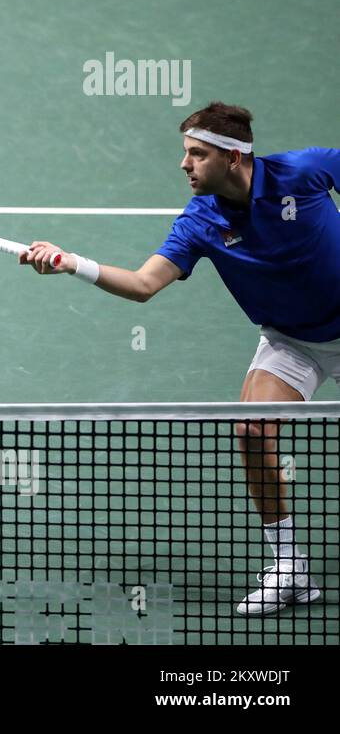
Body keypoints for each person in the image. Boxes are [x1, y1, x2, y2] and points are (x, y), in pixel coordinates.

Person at [20, 102, 339, 616]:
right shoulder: (201, 222)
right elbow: (144, 284)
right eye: (185, 153)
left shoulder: (303, 171)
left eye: (197, 154)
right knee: (252, 431)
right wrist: (71, 263)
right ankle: (290, 569)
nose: (184, 164)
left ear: (234, 158)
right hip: (292, 341)